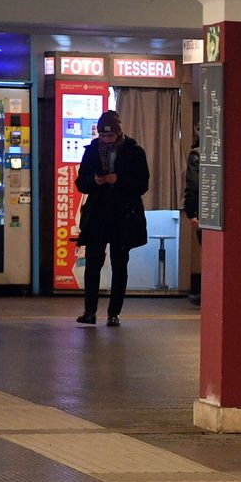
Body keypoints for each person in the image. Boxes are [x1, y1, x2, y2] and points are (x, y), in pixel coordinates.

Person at [74, 110, 149, 327]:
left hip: (123, 216)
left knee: (119, 264)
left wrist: (119, 180)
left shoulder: (135, 152)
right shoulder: (91, 152)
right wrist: (94, 181)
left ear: (119, 133)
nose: (105, 140)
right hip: (98, 214)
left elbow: (142, 184)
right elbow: (81, 182)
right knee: (92, 263)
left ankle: (114, 312)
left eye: (110, 136)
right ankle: (89, 311)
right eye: (102, 136)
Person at [182, 130, 201, 305]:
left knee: (208, 253)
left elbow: (193, 185)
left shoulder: (196, 155)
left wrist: (192, 213)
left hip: (203, 213)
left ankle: (206, 293)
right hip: (223, 213)